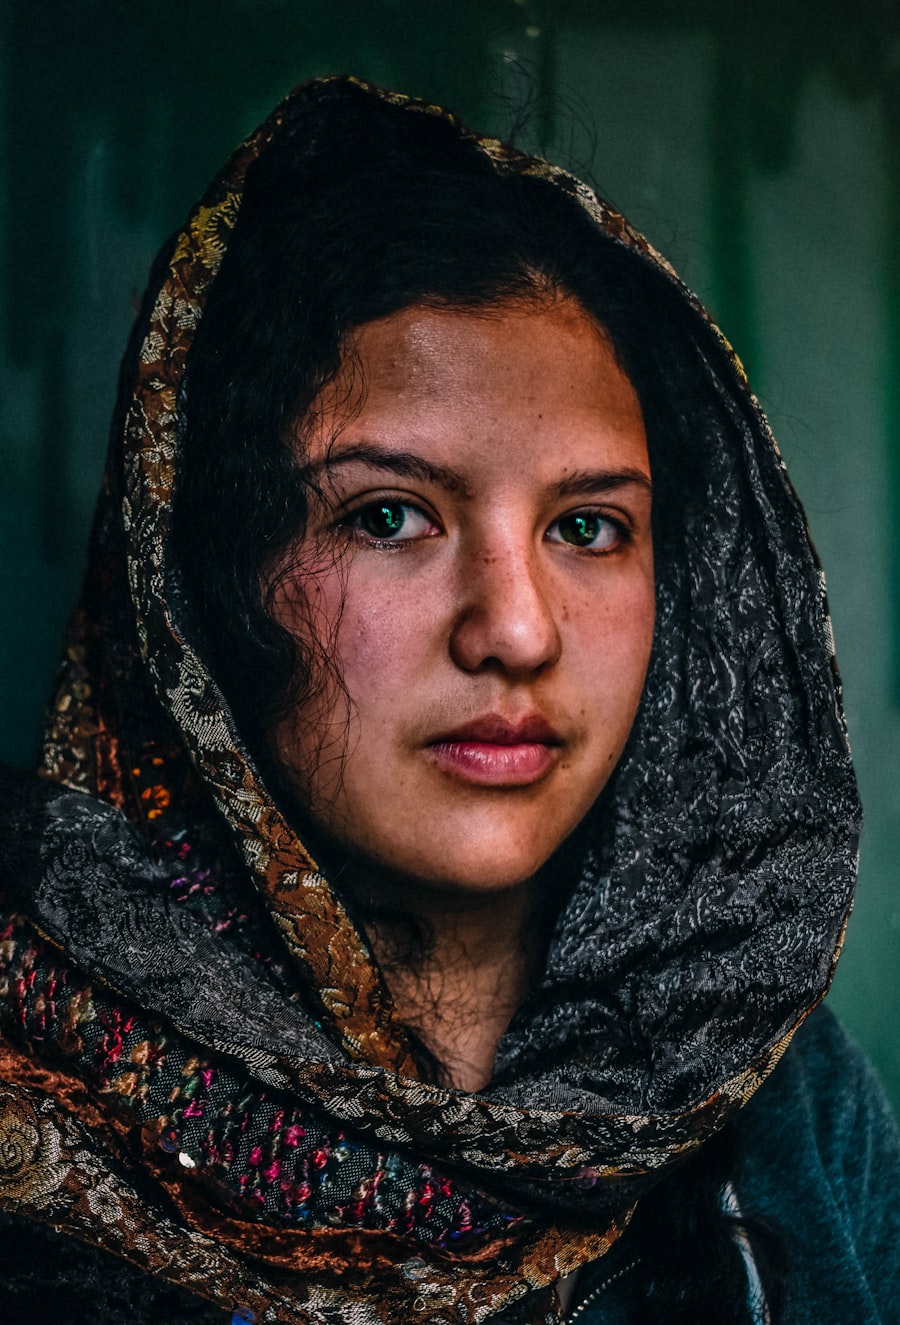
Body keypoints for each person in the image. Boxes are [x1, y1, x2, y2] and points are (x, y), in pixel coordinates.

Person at [0, 74, 897, 1325]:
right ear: (206, 580)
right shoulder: (30, 1072)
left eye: (589, 526)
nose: (518, 629)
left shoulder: (771, 1092)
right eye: (389, 517)